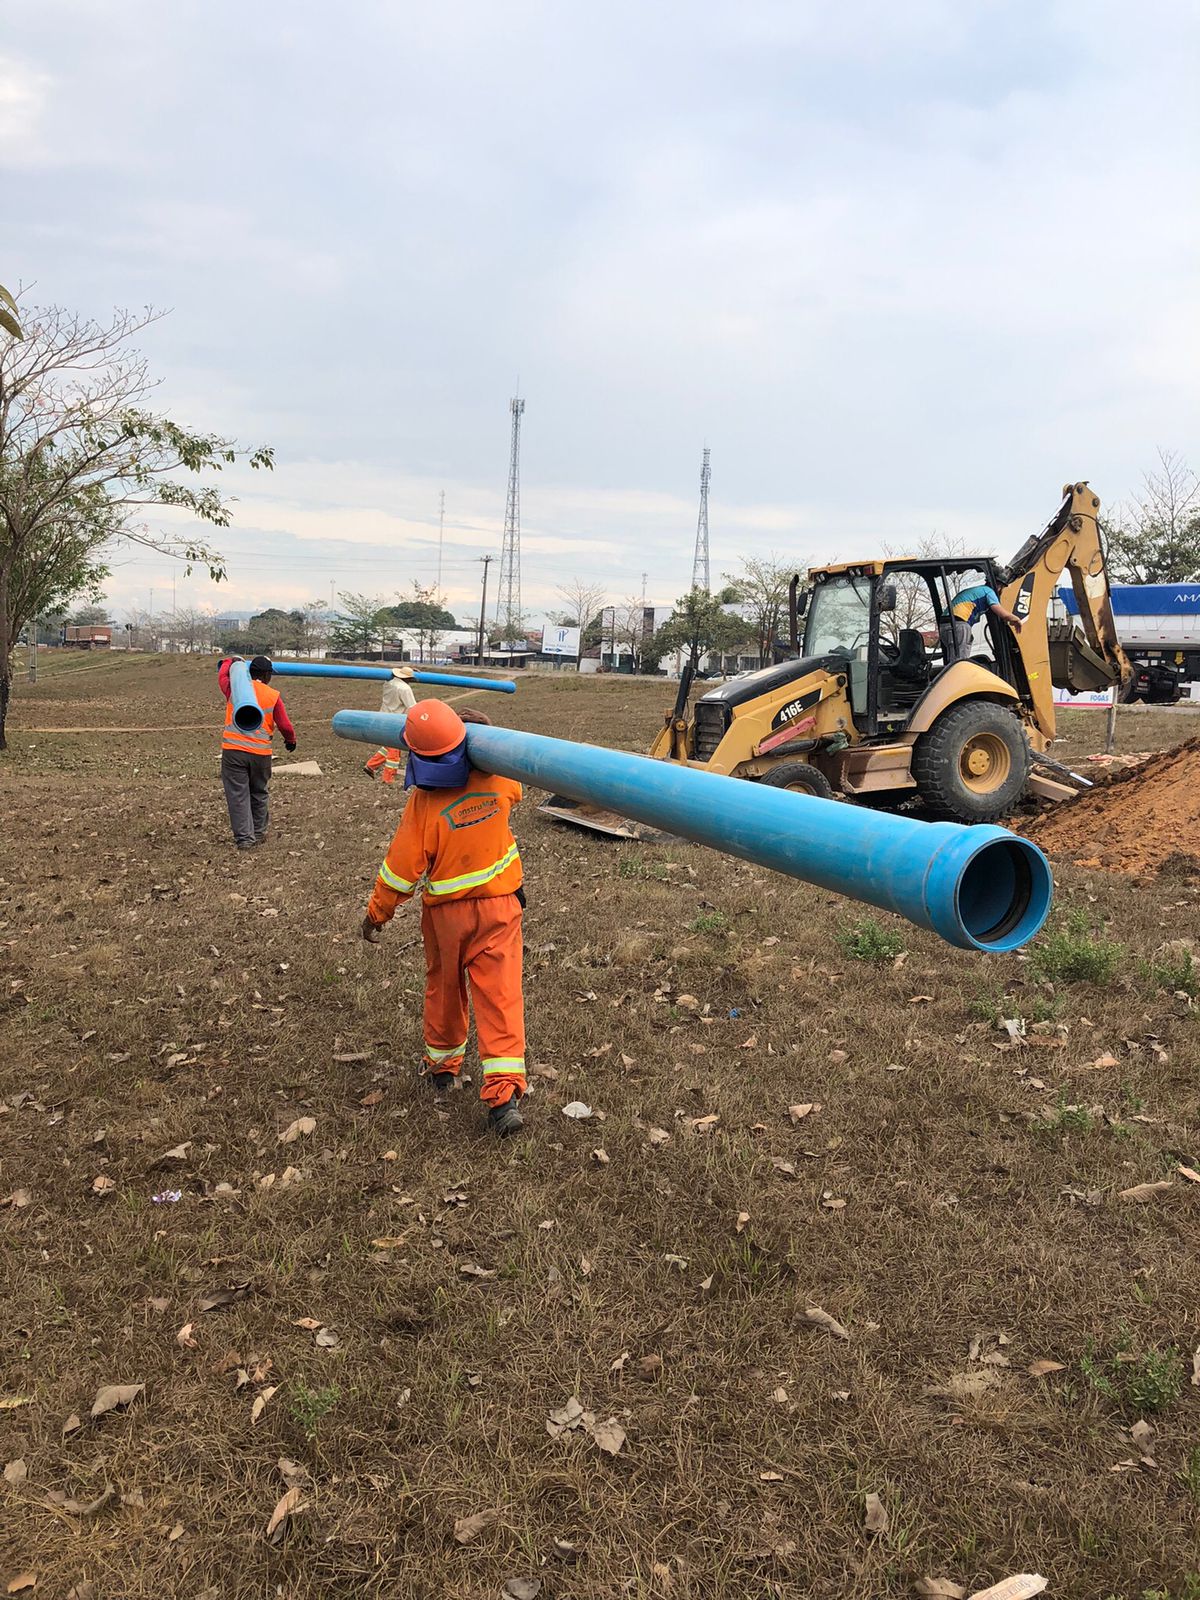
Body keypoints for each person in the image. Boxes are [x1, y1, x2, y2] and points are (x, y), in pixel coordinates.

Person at [360, 700, 527, 1138]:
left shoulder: (424, 802)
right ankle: (504, 1093)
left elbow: (401, 867)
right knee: (501, 995)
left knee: (445, 986)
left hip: (445, 917)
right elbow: (516, 791)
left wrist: (377, 913)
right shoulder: (501, 780)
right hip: (500, 908)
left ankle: (441, 1065)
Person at [217, 655, 297, 851]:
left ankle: (245, 839)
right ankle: (259, 833)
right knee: (259, 792)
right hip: (261, 754)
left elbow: (221, 677)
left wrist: (231, 661)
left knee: (238, 795)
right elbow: (285, 725)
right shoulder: (272, 695)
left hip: (234, 752)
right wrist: (291, 740)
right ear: (267, 674)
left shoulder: (234, 689)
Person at [946, 581, 1024, 660]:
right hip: (959, 624)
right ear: (998, 586)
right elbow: (999, 610)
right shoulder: (988, 591)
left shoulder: (978, 591)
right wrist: (1015, 619)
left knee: (953, 657)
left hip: (945, 625)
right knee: (960, 660)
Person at [363, 671, 417, 784]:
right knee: (394, 752)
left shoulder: (389, 683)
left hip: (382, 717)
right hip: (395, 721)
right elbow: (412, 707)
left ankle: (370, 766)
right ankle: (388, 779)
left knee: (388, 747)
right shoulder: (405, 689)